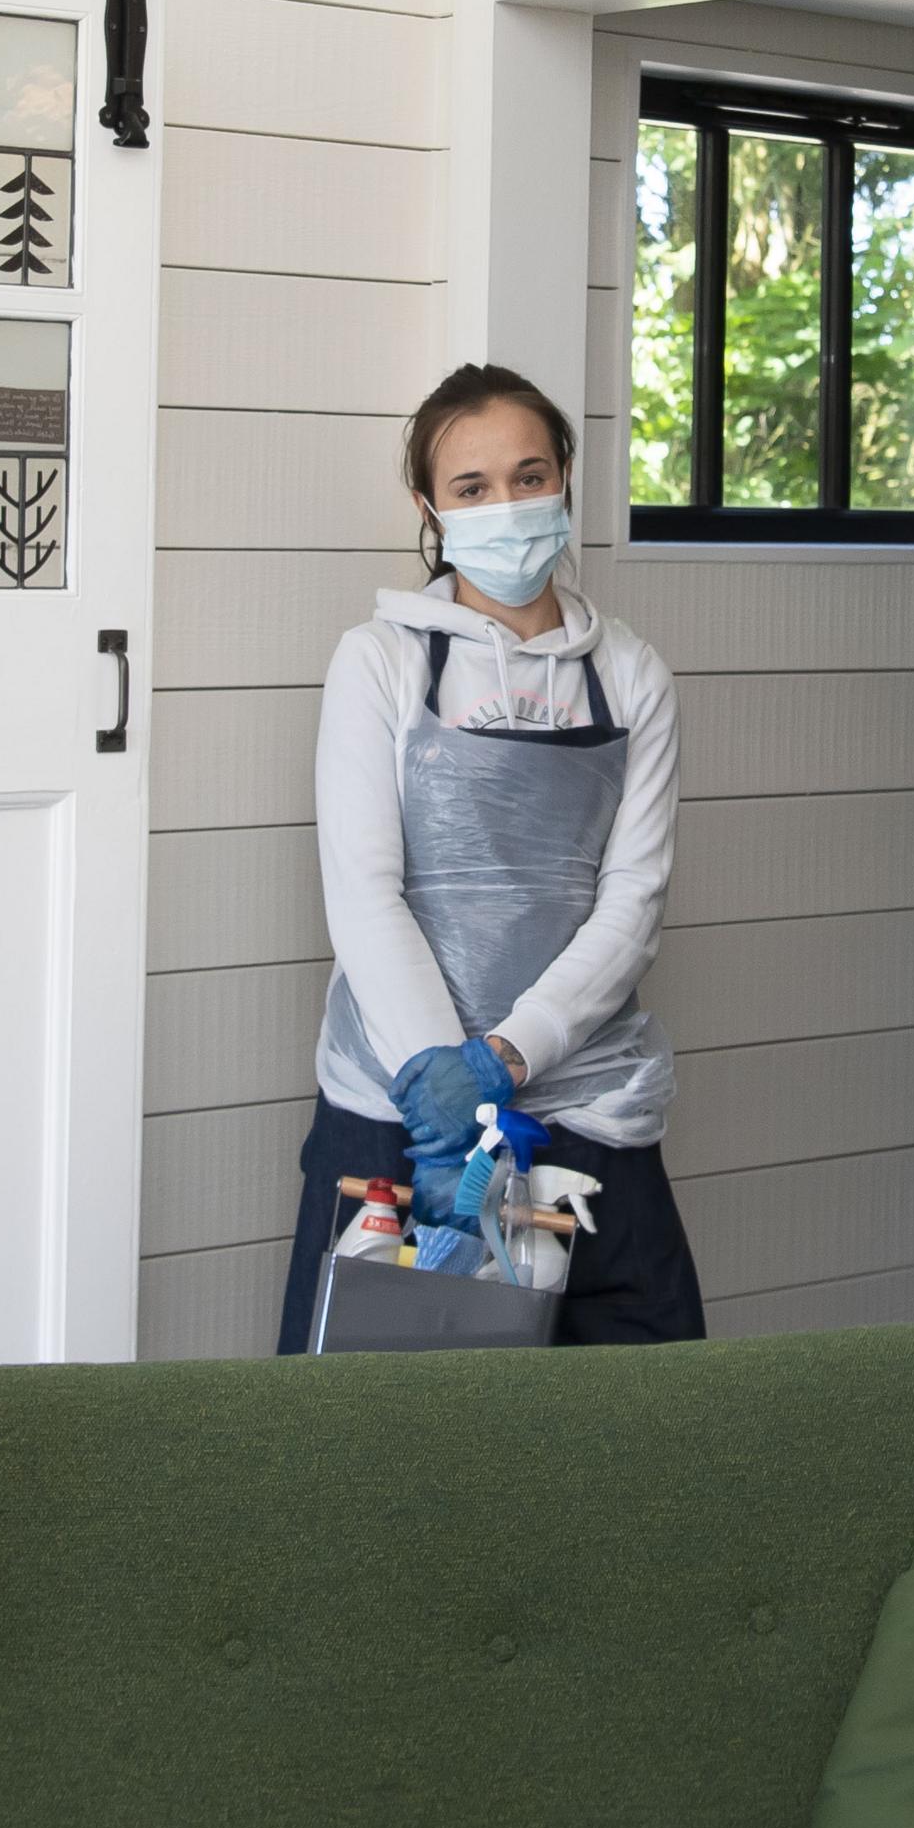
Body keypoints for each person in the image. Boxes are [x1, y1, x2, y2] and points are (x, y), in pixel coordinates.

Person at [276, 364, 700, 1350]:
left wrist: (505, 1057)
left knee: (631, 1431)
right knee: (379, 1439)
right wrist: (438, 1076)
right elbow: (366, 890)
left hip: (587, 1109)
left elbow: (633, 899)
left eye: (529, 475)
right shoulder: (379, 660)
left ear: (563, 481)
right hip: (396, 1114)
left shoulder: (632, 674)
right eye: (471, 488)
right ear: (430, 507)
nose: (506, 505)